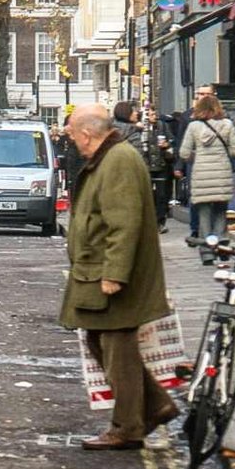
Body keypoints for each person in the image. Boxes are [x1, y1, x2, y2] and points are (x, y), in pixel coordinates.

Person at [59, 105, 176, 449]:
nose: (72, 143)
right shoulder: (111, 157)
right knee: (100, 340)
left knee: (117, 349)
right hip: (96, 268)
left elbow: (123, 222)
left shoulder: (118, 160)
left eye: (71, 136)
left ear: (86, 134)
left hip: (110, 272)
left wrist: (115, 274)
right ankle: (156, 406)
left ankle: (127, 426)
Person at [179, 92, 235, 249]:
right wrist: (223, 154)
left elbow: (184, 153)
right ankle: (221, 240)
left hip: (201, 174)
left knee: (204, 212)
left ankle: (207, 247)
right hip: (222, 172)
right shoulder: (227, 124)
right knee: (221, 209)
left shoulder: (193, 127)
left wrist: (198, 158)